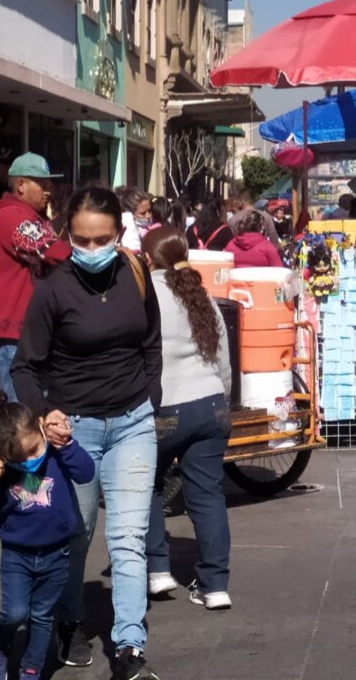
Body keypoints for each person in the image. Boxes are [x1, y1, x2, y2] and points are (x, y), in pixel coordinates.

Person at [12, 187, 162, 679]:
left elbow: (151, 341)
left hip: (133, 423)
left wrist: (150, 396)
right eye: (82, 239)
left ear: (119, 235)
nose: (93, 249)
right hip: (73, 433)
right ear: (67, 235)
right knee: (74, 535)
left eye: (103, 239)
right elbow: (25, 368)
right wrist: (46, 412)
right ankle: (69, 621)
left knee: (128, 539)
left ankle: (129, 646)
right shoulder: (52, 291)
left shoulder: (137, 274)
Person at [142, 227, 233, 609]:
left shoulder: (145, 296)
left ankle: (159, 570)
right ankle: (215, 586)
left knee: (148, 488)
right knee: (209, 496)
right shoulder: (201, 296)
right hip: (210, 404)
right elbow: (224, 359)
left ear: (148, 258)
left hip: (165, 407)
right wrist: (222, 398)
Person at [0, 393, 95, 680]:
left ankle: (32, 669)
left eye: (33, 450)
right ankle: (2, 646)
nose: (29, 460)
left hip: (57, 553)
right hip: (17, 554)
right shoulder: (5, 468)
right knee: (14, 612)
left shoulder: (55, 452)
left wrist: (66, 445)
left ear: (41, 428)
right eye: (19, 457)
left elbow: (86, 472)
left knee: (42, 616)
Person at [0, 152, 71, 401]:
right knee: (19, 413)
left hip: (26, 327)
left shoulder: (29, 215)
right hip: (14, 330)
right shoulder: (12, 214)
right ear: (20, 185)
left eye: (49, 184)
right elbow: (53, 252)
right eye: (42, 183)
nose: (48, 190)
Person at [119, 188, 153, 252]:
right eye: (143, 213)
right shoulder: (127, 227)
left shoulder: (152, 225)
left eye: (150, 211)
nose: (148, 215)